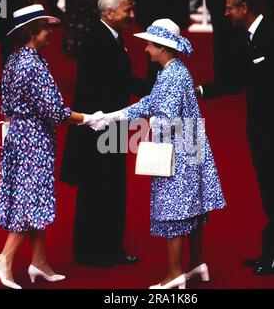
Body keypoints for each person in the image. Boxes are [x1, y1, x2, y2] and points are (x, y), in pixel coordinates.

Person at [90, 18, 226, 289]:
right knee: (194, 209)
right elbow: (148, 103)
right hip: (191, 145)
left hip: (177, 152)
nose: (146, 49)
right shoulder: (173, 71)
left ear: (163, 47)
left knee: (173, 211)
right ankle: (197, 264)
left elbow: (165, 119)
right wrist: (110, 118)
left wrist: (149, 124)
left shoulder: (172, 75)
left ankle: (175, 274)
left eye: (150, 44)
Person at [0, 4, 98, 289]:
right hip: (33, 142)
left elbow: (5, 107)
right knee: (30, 201)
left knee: (33, 199)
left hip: (18, 138)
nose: (50, 33)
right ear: (33, 33)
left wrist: (15, 133)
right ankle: (4, 259)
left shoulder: (14, 60)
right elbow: (55, 111)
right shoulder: (32, 64)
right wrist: (90, 119)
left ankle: (39, 261)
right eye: (45, 28)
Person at [198, 0, 274, 275]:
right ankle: (270, 252)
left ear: (244, 8)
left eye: (229, 8)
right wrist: (200, 90)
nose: (225, 13)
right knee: (269, 193)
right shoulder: (247, 38)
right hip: (258, 130)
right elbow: (235, 80)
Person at [60, 0, 148, 267]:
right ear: (109, 13)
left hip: (113, 124)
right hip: (99, 129)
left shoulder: (110, 35)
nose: (132, 15)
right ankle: (91, 251)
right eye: (127, 10)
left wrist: (149, 91)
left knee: (113, 187)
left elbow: (120, 78)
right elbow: (104, 87)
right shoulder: (95, 41)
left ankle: (109, 246)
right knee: (97, 189)